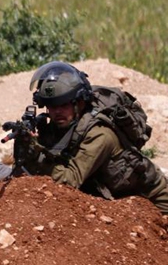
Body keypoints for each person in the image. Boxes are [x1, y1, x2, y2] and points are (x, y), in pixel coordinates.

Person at [20, 61, 168, 213]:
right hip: (116, 200)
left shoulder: (99, 133)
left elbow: (70, 181)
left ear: (80, 103)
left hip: (153, 200)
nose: (57, 112)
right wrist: (26, 146)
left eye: (64, 105)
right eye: (52, 106)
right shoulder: (62, 125)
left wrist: (36, 153)